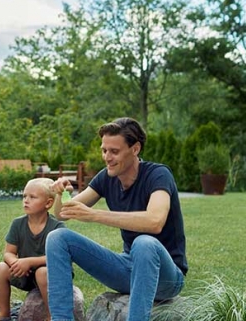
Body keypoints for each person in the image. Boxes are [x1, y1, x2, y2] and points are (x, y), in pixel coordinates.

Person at [46, 117, 187, 321]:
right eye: (104, 150)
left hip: (166, 278)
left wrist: (95, 215)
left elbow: (155, 222)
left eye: (114, 151)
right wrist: (61, 194)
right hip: (128, 270)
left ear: (135, 149)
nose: (107, 157)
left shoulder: (158, 174)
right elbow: (62, 213)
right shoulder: (106, 177)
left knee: (144, 243)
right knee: (57, 237)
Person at [0, 178, 67, 321]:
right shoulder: (18, 224)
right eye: (24, 196)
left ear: (48, 203)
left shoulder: (56, 227)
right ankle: (4, 313)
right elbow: (8, 252)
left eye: (32, 197)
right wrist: (16, 263)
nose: (26, 200)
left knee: (42, 272)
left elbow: (59, 257)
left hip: (51, 276)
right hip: (26, 273)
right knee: (0, 268)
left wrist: (29, 262)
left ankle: (52, 316)